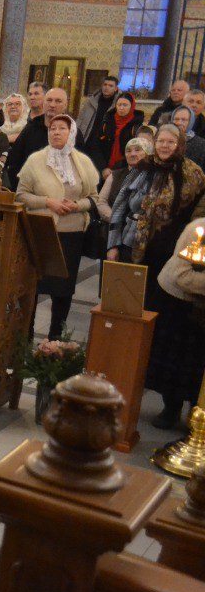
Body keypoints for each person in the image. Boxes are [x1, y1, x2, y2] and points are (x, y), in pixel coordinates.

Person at [107, 124, 205, 427]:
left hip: (169, 254)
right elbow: (121, 205)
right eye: (160, 140)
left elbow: (195, 218)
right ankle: (120, 377)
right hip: (132, 248)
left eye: (170, 141)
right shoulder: (141, 169)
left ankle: (161, 388)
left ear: (180, 145)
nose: (164, 145)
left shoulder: (193, 174)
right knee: (125, 314)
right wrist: (112, 245)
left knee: (161, 324)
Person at [15, 115, 101, 340]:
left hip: (71, 235)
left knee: (63, 290)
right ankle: (26, 336)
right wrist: (47, 202)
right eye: (52, 128)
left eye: (62, 128)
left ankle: (55, 339)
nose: (56, 132)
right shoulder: (36, 160)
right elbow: (21, 195)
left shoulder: (82, 162)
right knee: (34, 288)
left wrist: (76, 205)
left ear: (71, 132)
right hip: (42, 232)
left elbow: (93, 198)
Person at [147, 217, 205, 431]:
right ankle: (171, 408)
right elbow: (181, 275)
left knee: (197, 365)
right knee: (174, 361)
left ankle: (197, 411)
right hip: (176, 300)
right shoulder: (198, 229)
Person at [4, 87, 69, 190]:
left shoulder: (72, 132)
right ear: (44, 103)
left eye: (58, 101)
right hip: (27, 191)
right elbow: (15, 161)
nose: (52, 105)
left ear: (65, 105)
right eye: (49, 100)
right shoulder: (31, 128)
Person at [96, 136, 150, 224]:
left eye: (137, 150)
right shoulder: (114, 175)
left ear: (148, 153)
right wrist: (116, 219)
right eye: (128, 151)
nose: (132, 154)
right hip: (112, 228)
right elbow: (101, 202)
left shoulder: (154, 176)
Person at [90, 90, 143, 173]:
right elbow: (96, 146)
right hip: (104, 168)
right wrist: (103, 168)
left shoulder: (136, 126)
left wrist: (116, 169)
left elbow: (138, 151)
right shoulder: (107, 122)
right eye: (119, 104)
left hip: (126, 169)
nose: (121, 108)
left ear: (132, 106)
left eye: (125, 105)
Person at [77, 74, 119, 149]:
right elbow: (80, 119)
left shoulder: (118, 104)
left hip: (104, 144)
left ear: (116, 88)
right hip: (87, 139)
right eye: (105, 84)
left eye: (110, 86)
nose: (106, 87)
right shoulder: (91, 101)